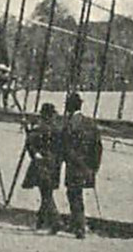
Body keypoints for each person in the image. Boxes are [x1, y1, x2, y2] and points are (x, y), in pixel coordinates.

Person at [58, 91, 104, 239]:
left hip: (74, 167)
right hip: (87, 167)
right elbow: (98, 147)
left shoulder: (69, 124)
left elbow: (64, 146)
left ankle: (79, 227)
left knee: (74, 195)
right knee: (77, 195)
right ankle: (79, 224)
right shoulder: (90, 123)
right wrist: (94, 168)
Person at [22, 102, 62, 232]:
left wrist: (28, 132)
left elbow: (30, 144)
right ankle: (41, 221)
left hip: (41, 164)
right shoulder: (57, 129)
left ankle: (56, 221)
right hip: (54, 164)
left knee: (45, 194)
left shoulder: (40, 129)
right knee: (47, 192)